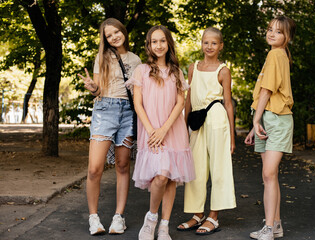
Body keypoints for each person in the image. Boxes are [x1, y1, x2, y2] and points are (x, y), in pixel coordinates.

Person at [126, 25, 195, 240]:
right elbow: (138, 104)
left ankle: (164, 226)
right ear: (149, 45)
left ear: (168, 43)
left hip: (172, 129)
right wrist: (152, 131)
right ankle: (151, 219)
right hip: (151, 130)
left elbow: (180, 102)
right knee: (160, 176)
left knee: (170, 177)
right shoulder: (142, 71)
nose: (158, 45)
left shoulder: (176, 71)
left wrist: (164, 129)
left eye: (162, 41)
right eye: (154, 41)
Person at [78, 18, 141, 235]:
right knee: (95, 168)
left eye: (116, 32)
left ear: (123, 31)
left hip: (128, 113)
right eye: (109, 35)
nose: (114, 37)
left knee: (123, 166)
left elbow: (139, 92)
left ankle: (118, 217)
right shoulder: (101, 57)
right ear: (105, 39)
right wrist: (93, 87)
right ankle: (93, 218)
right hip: (105, 110)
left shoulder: (136, 59)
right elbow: (97, 89)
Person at [177, 27, 236, 235]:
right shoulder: (193, 68)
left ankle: (213, 216)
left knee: (218, 167)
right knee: (196, 168)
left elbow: (228, 104)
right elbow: (188, 99)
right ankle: (197, 214)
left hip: (217, 119)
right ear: (201, 44)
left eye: (214, 43)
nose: (209, 46)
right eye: (206, 42)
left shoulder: (223, 70)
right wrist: (183, 127)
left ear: (220, 46)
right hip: (197, 122)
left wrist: (232, 136)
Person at [244, 16, 296, 240]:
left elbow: (266, 91)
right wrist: (256, 124)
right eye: (270, 29)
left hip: (277, 119)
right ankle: (274, 225)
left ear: (287, 37)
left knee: (269, 172)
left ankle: (269, 228)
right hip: (268, 118)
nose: (272, 33)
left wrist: (256, 122)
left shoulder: (276, 54)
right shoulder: (277, 54)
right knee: (269, 177)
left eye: (278, 31)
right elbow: (265, 96)